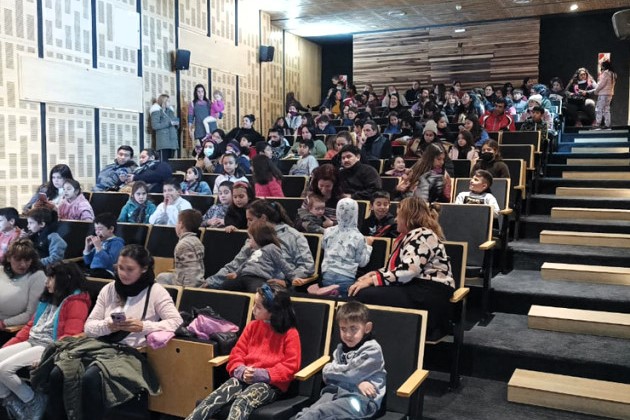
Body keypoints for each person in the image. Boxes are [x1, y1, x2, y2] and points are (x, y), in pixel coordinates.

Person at [39, 245, 183, 420]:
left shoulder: (155, 292)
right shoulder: (110, 289)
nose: (123, 274)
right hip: (100, 346)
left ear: (144, 269)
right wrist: (109, 326)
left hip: (131, 353)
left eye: (130, 269)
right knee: (59, 372)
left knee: (91, 378)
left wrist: (143, 326)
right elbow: (89, 327)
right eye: (120, 268)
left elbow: (176, 321)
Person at [186, 284, 300, 420]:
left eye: (258, 307)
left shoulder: (290, 333)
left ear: (273, 311)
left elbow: (291, 366)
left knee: (241, 403)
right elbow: (237, 353)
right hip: (244, 377)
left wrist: (263, 374)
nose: (253, 309)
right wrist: (240, 370)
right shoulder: (252, 326)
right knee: (212, 400)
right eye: (254, 304)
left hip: (271, 384)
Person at [349, 197, 455, 336]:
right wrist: (372, 275)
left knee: (364, 294)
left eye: (399, 215)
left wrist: (372, 280)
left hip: (427, 292)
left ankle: (373, 337)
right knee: (363, 290)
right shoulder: (409, 236)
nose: (395, 219)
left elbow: (407, 271)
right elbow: (398, 269)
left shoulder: (423, 234)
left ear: (408, 217)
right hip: (414, 287)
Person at [0, 262, 90, 420]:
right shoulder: (48, 298)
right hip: (33, 340)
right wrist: (8, 347)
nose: (46, 281)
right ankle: (11, 402)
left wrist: (46, 357)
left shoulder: (76, 302)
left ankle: (34, 401)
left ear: (63, 279)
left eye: (50, 278)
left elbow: (70, 337)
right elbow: (30, 327)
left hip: (48, 346)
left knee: (4, 369)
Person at [295, 301, 386, 419]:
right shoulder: (339, 349)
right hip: (335, 393)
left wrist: (331, 370)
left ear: (367, 328)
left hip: (361, 401)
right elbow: (327, 377)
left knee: (319, 412)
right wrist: (358, 381)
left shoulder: (372, 349)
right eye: (343, 329)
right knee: (308, 411)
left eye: (353, 328)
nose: (348, 334)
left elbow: (350, 374)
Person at [206, 200, 314, 289]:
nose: (248, 224)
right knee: (226, 287)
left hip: (276, 285)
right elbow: (237, 263)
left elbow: (306, 267)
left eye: (250, 220)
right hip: (249, 278)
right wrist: (210, 282)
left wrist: (286, 281)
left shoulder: (293, 236)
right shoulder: (253, 236)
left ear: (263, 218)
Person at [314, 198, 372, 297]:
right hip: (346, 278)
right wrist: (369, 246)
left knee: (330, 300)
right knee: (342, 303)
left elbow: (323, 246)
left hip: (327, 275)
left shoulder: (328, 231)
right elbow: (362, 262)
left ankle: (332, 292)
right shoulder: (358, 237)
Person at [223, 220, 302, 292]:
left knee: (257, 290)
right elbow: (246, 263)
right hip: (244, 275)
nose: (249, 241)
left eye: (251, 238)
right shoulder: (254, 250)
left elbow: (283, 265)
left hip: (259, 278)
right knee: (227, 284)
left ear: (259, 238)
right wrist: (236, 273)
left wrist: (293, 278)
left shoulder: (272, 248)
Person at [0, 240, 46, 333]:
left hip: (10, 329)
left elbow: (31, 314)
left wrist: (4, 323)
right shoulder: (1, 270)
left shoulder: (37, 276)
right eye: (18, 260)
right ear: (9, 258)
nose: (23, 264)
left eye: (27, 260)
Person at [156, 209, 205, 287]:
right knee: (162, 277)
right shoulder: (197, 241)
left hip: (186, 285)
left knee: (160, 279)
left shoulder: (183, 245)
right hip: (198, 280)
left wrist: (185, 291)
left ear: (181, 224)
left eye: (177, 222)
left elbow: (191, 274)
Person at [83, 213, 125, 279]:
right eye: (95, 229)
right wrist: (87, 248)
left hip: (107, 272)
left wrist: (99, 248)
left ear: (111, 229)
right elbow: (88, 262)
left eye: (100, 229)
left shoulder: (117, 243)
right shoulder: (100, 242)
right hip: (94, 270)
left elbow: (111, 263)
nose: (97, 232)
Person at [150, 94, 180, 162]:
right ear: (163, 102)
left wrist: (176, 124)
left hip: (172, 141)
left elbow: (173, 121)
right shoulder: (156, 111)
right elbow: (155, 126)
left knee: (172, 163)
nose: (169, 103)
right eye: (168, 101)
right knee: (164, 162)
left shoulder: (170, 111)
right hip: (163, 141)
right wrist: (169, 123)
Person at [188, 84, 212, 152]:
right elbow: (190, 117)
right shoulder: (193, 104)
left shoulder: (209, 103)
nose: (201, 94)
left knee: (209, 150)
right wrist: (190, 129)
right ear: (196, 93)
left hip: (209, 130)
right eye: (198, 92)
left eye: (202, 91)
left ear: (204, 92)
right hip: (199, 130)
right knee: (201, 150)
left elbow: (215, 114)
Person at [594, 60, 617, 129]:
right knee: (606, 109)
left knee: (599, 109)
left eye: (602, 66)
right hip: (610, 94)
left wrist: (596, 90)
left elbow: (602, 84)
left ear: (604, 66)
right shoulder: (613, 74)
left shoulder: (606, 73)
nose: (601, 67)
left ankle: (597, 124)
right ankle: (607, 124)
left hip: (603, 94)